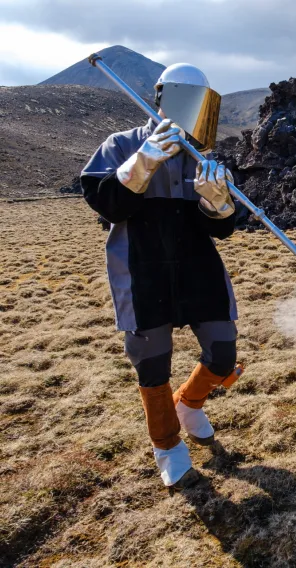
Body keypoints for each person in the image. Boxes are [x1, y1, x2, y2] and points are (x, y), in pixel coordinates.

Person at [80, 63, 242, 490]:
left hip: (197, 267)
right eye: (189, 99)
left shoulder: (200, 157)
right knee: (152, 365)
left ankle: (190, 404)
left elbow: (223, 229)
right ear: (162, 97)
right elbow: (107, 205)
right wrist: (144, 161)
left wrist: (218, 203)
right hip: (142, 268)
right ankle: (167, 445)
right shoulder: (119, 145)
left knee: (223, 351)